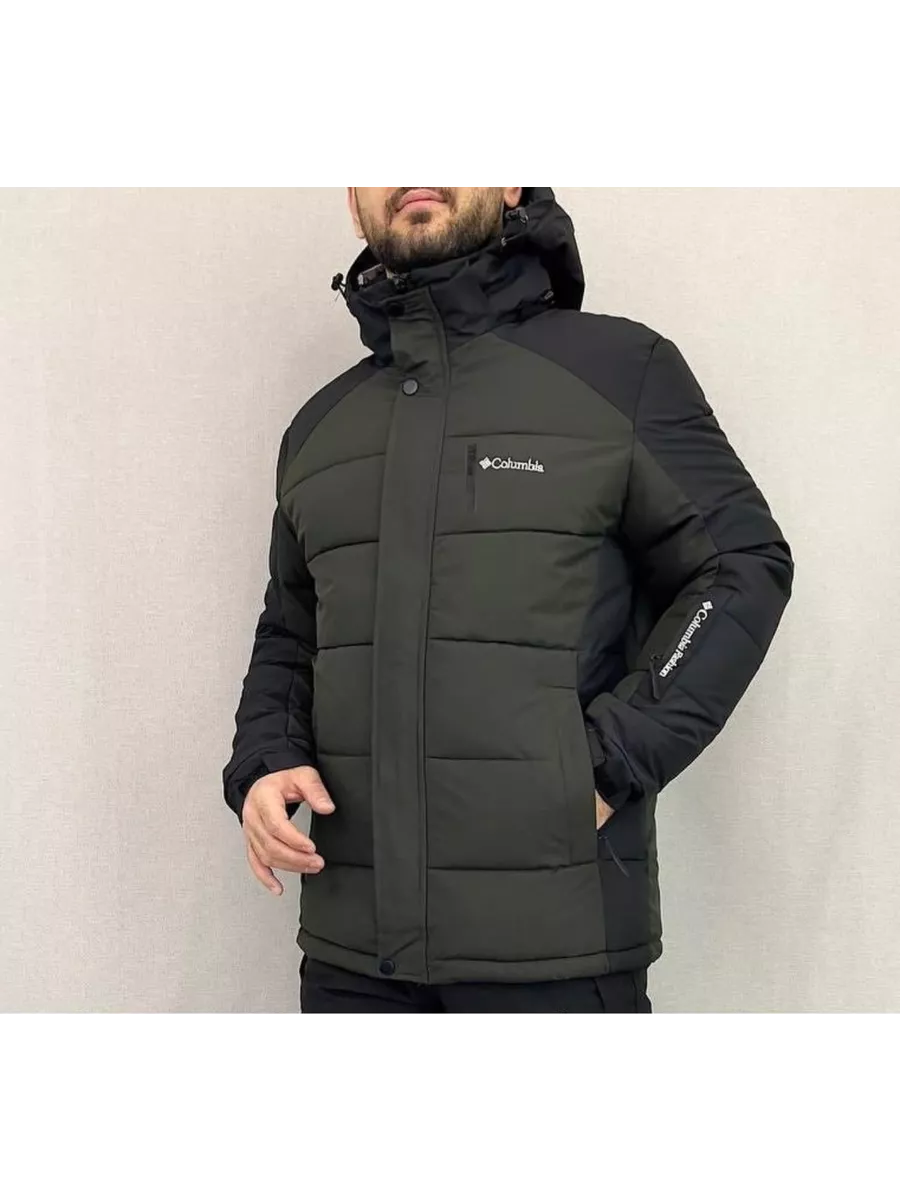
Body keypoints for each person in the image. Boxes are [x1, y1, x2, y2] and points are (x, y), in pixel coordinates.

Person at [222, 185, 794, 1014]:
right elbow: (291, 627)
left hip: (553, 956)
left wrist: (613, 758)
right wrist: (266, 757)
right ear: (353, 202)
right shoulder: (321, 427)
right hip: (353, 961)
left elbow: (739, 566)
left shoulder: (619, 372)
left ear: (513, 181)